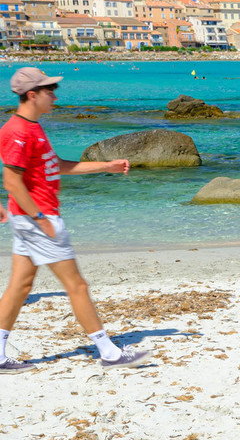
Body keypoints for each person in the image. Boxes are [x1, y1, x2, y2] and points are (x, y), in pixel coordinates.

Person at [0, 67, 146, 368]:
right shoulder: (18, 131)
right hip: (38, 218)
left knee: (20, 286)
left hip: (28, 218)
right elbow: (12, 181)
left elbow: (58, 166)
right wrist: (40, 218)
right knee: (76, 285)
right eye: (49, 91)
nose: (54, 97)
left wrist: (106, 166)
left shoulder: (33, 127)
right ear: (32, 95)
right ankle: (109, 352)